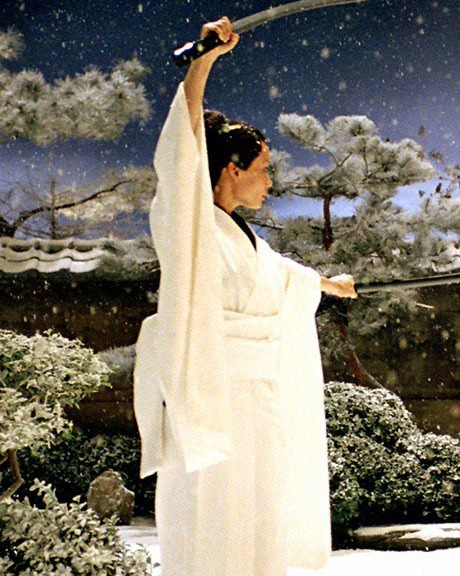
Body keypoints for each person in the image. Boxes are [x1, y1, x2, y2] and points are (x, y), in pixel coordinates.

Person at [133, 18, 355, 576]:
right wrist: (203, 61)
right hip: (211, 395)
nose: (270, 181)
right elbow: (182, 152)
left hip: (255, 405)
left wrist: (328, 284)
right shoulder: (191, 225)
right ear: (231, 169)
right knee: (213, 519)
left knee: (257, 523)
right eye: (263, 169)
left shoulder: (243, 237)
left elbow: (279, 275)